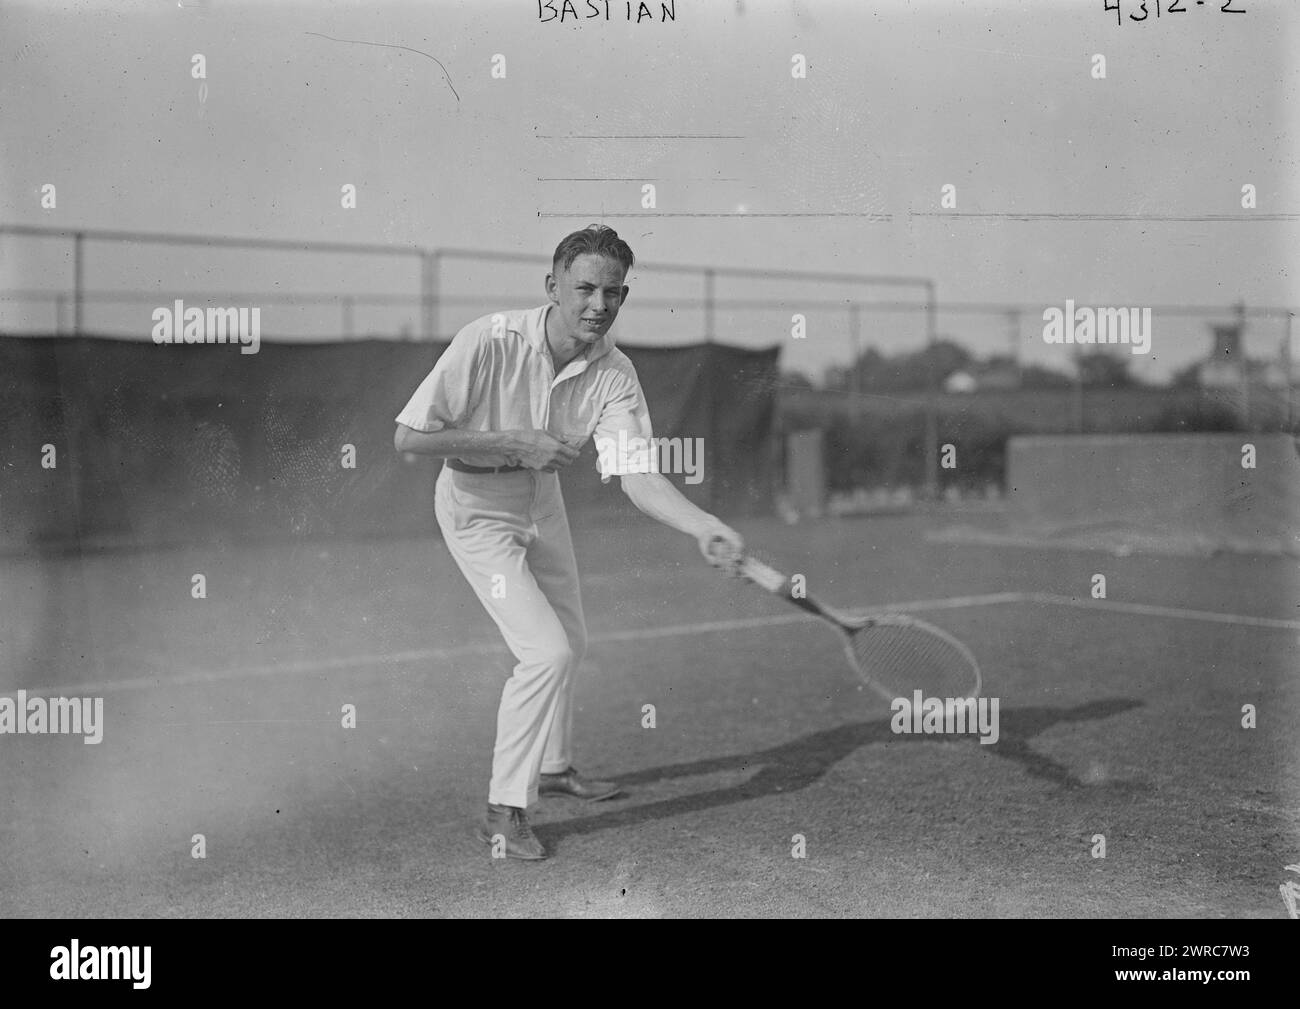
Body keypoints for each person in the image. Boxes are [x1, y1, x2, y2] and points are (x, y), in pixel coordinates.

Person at [394, 225, 744, 859]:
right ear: (552, 287)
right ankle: (505, 810)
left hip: (542, 505)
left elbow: (638, 476)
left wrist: (705, 526)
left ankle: (552, 768)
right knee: (546, 652)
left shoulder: (615, 373)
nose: (597, 306)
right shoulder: (487, 340)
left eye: (612, 293)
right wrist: (510, 441)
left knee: (572, 641)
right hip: (475, 510)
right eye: (584, 288)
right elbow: (410, 440)